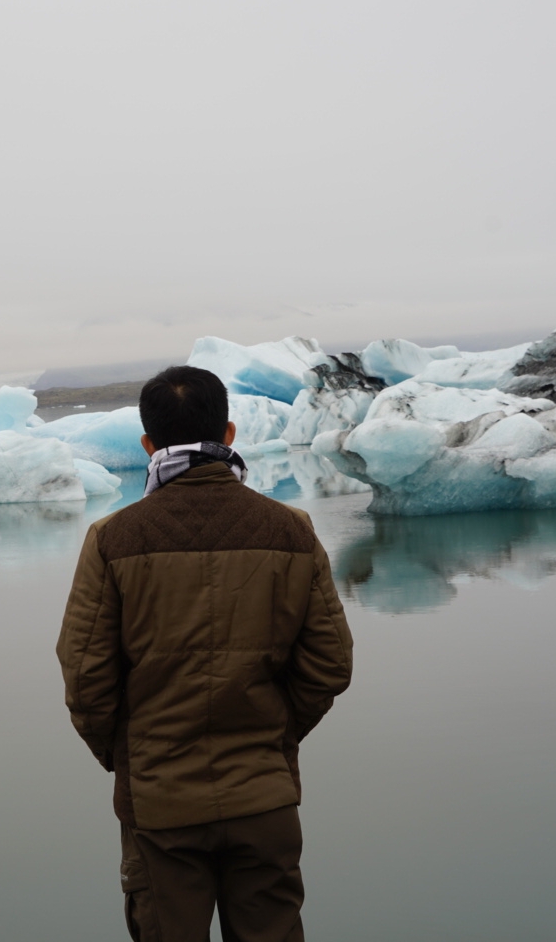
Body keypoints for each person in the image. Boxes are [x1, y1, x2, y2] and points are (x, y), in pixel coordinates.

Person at [56, 365, 353, 942]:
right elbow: (330, 663)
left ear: (147, 443)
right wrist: (274, 736)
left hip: (160, 805)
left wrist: (130, 753)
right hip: (263, 797)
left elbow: (85, 676)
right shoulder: (291, 530)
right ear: (230, 434)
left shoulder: (113, 539)